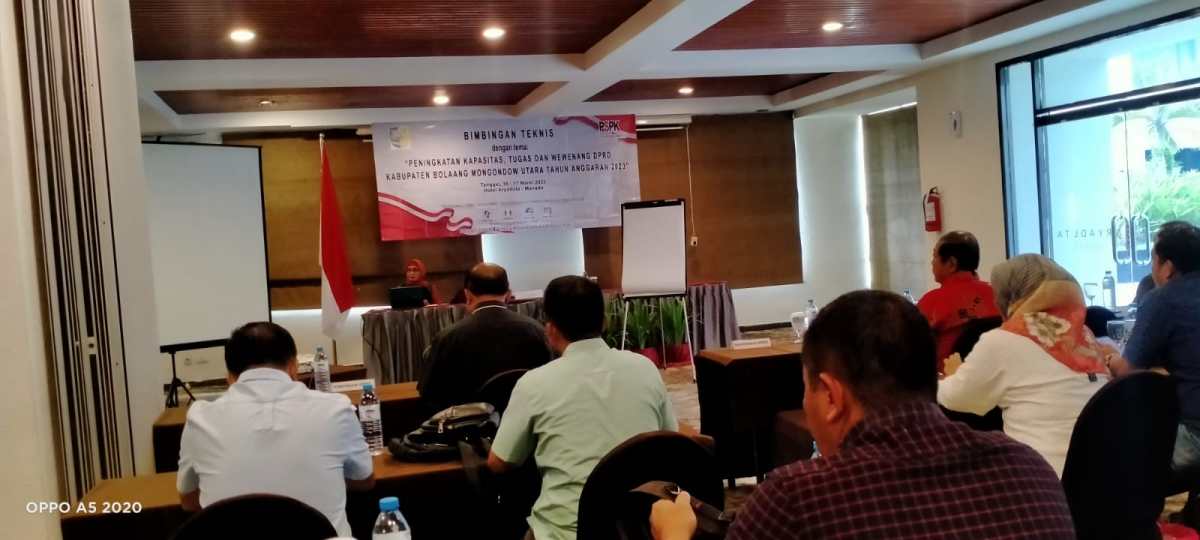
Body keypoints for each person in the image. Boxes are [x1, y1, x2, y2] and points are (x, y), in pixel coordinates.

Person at [651, 290, 1074, 540]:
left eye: (806, 389)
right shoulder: (1027, 471)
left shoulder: (797, 501)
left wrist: (673, 535)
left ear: (831, 396)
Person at [488, 275, 677, 540]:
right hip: (640, 527)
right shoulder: (645, 368)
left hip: (564, 532)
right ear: (604, 321)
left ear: (551, 330)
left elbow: (499, 463)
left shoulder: (534, 383)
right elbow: (670, 441)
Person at [177, 322, 374, 537]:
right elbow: (364, 480)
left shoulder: (199, 419)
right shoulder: (335, 409)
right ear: (293, 367)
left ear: (230, 377)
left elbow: (188, 500)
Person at [938, 254, 1108, 476]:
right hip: (1104, 475)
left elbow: (958, 398)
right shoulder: (1084, 335)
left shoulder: (1003, 340)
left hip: (1043, 478)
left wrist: (951, 376)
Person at [1111, 221, 1200, 483]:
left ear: (1167, 267)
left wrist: (1110, 358)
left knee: (1113, 455)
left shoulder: (1163, 299)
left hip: (1195, 437)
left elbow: (1127, 372)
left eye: (1153, 258)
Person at [418, 262, 552, 412]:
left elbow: (428, 392)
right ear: (508, 295)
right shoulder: (536, 330)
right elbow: (551, 381)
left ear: (467, 295)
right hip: (529, 419)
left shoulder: (448, 337)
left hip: (470, 424)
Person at [917, 231, 1001, 368]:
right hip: (995, 373)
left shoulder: (932, 301)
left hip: (949, 377)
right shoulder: (999, 295)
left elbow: (912, 346)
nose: (932, 262)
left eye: (934, 256)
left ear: (951, 264)